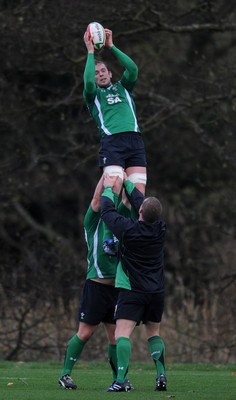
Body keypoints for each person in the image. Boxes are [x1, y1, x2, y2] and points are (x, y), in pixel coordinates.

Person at [58, 175, 132, 391]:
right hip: (96, 286)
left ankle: (120, 379)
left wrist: (128, 179)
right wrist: (107, 174)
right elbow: (96, 199)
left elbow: (129, 201)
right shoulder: (94, 221)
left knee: (116, 337)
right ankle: (65, 374)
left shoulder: (120, 218)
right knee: (86, 332)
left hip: (117, 287)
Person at [100, 174, 167, 392]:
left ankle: (121, 380)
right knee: (153, 334)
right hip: (156, 291)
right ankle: (161, 376)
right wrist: (129, 182)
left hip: (133, 290)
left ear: (139, 212)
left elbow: (107, 212)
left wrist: (109, 188)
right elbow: (141, 203)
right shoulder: (160, 229)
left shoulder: (128, 231)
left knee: (121, 334)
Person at [83, 27, 147, 255]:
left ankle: (133, 237)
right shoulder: (93, 97)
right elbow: (88, 85)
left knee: (136, 196)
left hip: (135, 142)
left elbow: (133, 69)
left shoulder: (124, 88)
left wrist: (111, 46)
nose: (99, 74)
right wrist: (90, 52)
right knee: (115, 186)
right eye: (96, 72)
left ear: (110, 74)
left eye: (103, 70)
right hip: (112, 143)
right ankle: (109, 239)